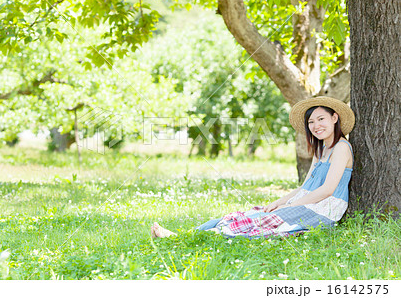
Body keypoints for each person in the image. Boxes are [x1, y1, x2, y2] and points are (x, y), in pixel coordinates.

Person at [151, 96, 355, 239]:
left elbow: (328, 190)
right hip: (305, 202)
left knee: (256, 226)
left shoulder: (341, 148)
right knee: (243, 216)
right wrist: (279, 201)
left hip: (322, 210)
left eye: (321, 119)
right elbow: (304, 188)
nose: (316, 125)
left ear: (334, 118)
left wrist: (291, 206)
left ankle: (181, 238)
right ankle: (185, 236)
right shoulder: (320, 150)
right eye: (311, 122)